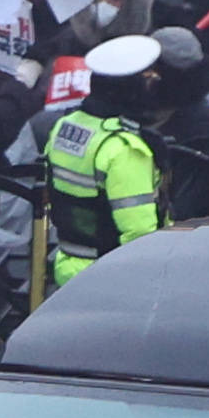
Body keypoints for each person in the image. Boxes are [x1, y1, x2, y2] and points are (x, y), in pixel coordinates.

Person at [47, 33, 170, 267]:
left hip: (69, 264)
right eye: (148, 78)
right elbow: (140, 234)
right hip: (109, 276)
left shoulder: (66, 125)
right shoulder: (124, 149)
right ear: (130, 88)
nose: (154, 84)